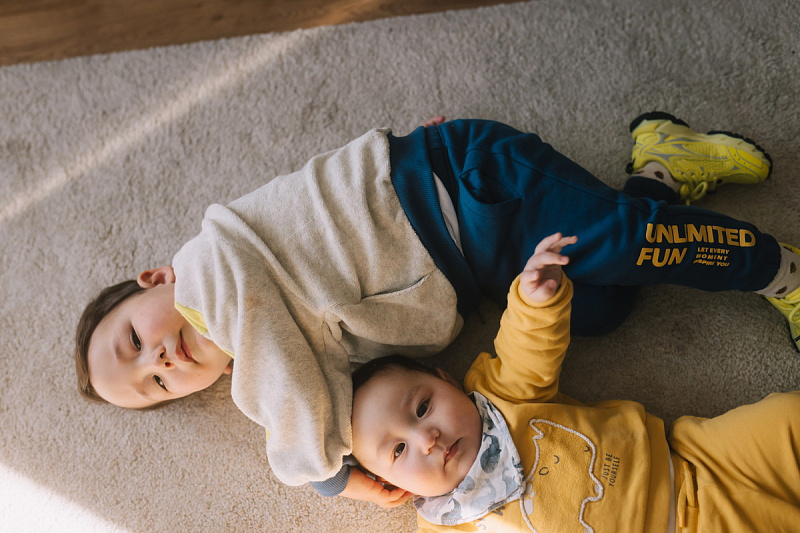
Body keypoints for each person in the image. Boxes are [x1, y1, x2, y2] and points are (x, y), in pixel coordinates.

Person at [74, 112, 800, 505]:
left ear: (158, 277)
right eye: (156, 384)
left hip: (463, 185)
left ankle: (782, 274)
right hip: (478, 263)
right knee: (602, 304)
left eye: (134, 339)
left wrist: (331, 477)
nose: (159, 360)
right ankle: (662, 166)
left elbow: (290, 404)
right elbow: (350, 386)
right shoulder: (276, 353)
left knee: (631, 242)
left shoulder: (213, 269)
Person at [350, 233, 800, 532]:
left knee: (787, 419)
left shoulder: (497, 398)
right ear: (391, 485)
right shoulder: (447, 525)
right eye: (398, 451)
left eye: (423, 407)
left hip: (695, 466)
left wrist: (534, 301)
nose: (426, 439)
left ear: (446, 380)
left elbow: (527, 352)